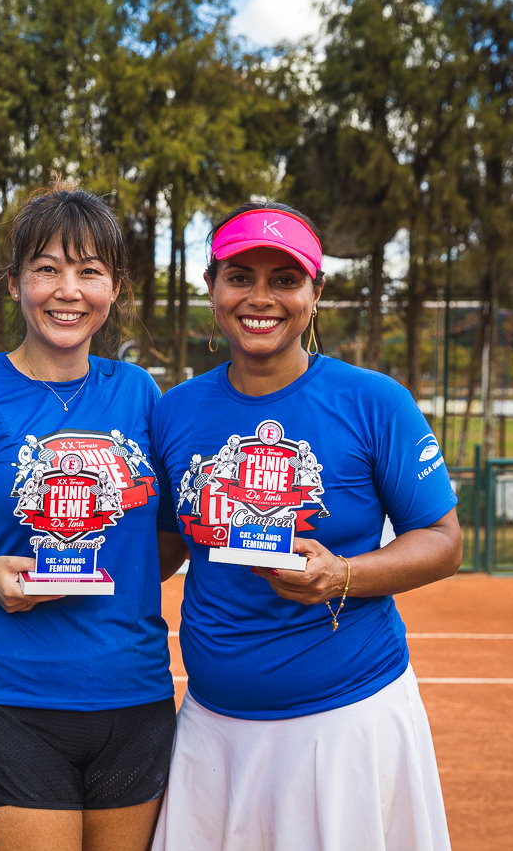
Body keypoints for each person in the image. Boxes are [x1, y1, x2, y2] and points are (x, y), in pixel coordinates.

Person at [149, 201, 462, 850]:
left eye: (285, 279)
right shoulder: (174, 412)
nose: (260, 298)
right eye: (240, 277)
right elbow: (164, 548)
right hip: (212, 727)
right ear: (211, 286)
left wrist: (342, 574)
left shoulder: (374, 401)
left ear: (315, 293)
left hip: (346, 723)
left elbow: (443, 541)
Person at [0, 187, 185, 851]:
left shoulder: (139, 392)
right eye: (47, 268)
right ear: (15, 282)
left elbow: (165, 538)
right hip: (12, 697)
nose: (67, 291)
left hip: (134, 694)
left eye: (89, 271)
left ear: (114, 288)